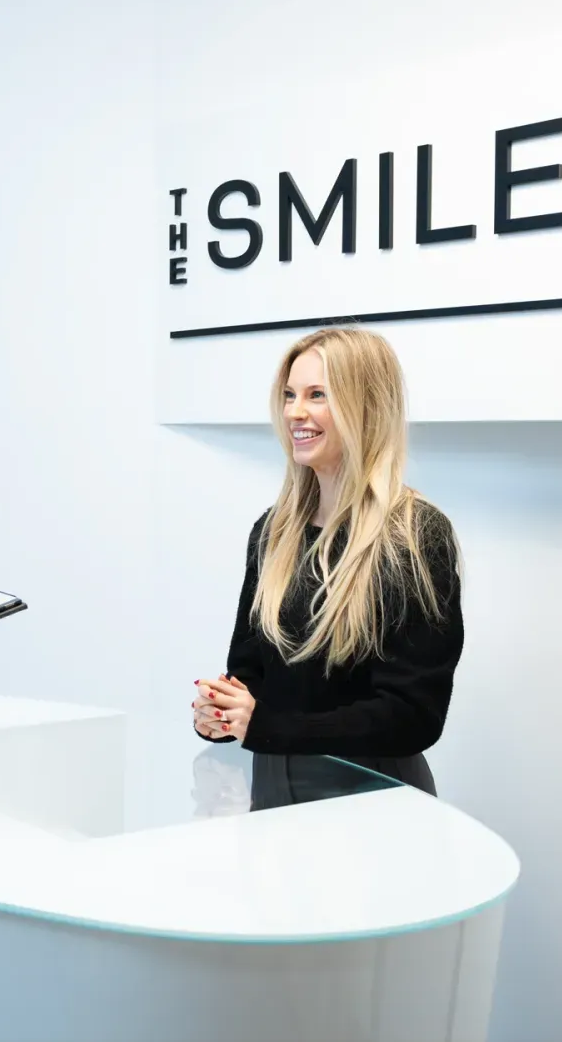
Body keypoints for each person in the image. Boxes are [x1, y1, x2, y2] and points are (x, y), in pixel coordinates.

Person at [192, 324, 463, 796]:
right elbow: (250, 671)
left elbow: (414, 715)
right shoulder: (272, 532)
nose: (295, 412)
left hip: (373, 798)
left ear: (366, 406)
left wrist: (268, 726)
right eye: (290, 395)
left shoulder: (416, 537)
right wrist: (221, 710)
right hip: (275, 786)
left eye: (317, 395)